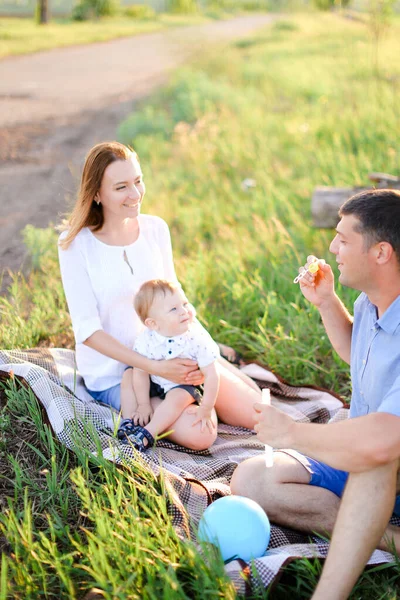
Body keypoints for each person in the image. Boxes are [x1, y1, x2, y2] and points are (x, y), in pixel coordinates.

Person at [231, 189, 400, 600]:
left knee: (371, 457)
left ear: (381, 252)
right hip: (370, 455)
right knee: (251, 478)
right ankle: (386, 537)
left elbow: (383, 439)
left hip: (386, 461)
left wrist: (292, 433)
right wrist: (327, 303)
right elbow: (356, 354)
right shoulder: (370, 302)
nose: (332, 246)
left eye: (344, 238)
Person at [58, 141, 262, 451]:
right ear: (96, 194)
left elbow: (178, 301)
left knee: (259, 412)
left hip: (172, 352)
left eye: (138, 181)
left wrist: (205, 352)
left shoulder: (155, 230)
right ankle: (188, 402)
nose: (136, 194)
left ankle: (215, 376)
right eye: (122, 187)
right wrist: (155, 368)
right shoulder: (75, 244)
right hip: (118, 376)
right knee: (201, 435)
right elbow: (87, 331)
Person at [117, 279, 220, 451]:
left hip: (182, 385)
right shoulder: (146, 339)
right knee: (129, 375)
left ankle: (148, 433)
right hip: (154, 381)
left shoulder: (197, 338)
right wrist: (143, 404)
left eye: (185, 304)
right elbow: (141, 372)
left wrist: (206, 408)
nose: (184, 311)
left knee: (178, 397)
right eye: (174, 309)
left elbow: (212, 375)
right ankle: (130, 423)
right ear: (153, 323)